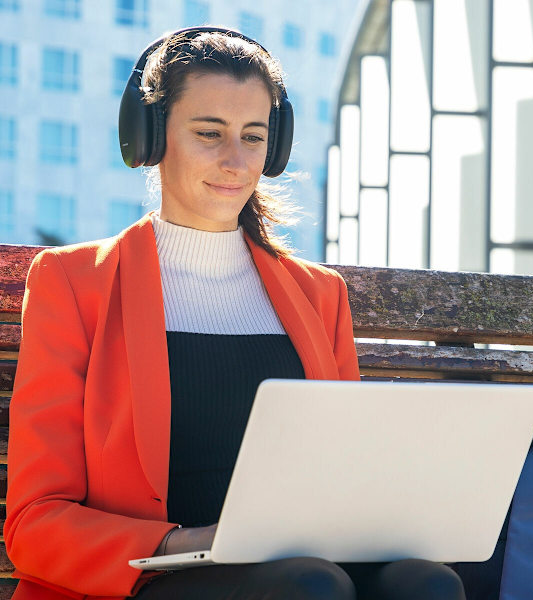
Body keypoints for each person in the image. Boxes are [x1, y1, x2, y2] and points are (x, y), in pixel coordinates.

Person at [4, 27, 466, 600]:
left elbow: (347, 478)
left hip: (299, 563)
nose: (234, 160)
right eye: (208, 133)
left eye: (253, 137)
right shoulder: (74, 283)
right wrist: (189, 542)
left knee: (426, 583)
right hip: (152, 572)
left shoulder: (320, 296)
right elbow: (35, 521)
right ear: (151, 138)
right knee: (307, 585)